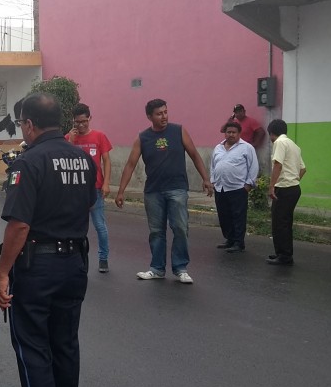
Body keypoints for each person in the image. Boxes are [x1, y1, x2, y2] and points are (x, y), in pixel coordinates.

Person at [0, 92, 97, 387]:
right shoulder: (84, 160)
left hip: (38, 267)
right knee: (65, 345)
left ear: (28, 124)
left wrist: (3, 271)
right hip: (74, 263)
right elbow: (87, 203)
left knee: (34, 350)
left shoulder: (29, 162)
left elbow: (20, 224)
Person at [114, 99, 213, 283]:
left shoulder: (178, 131)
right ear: (149, 117)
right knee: (156, 231)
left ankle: (180, 268)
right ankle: (157, 268)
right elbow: (130, 164)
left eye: (166, 112)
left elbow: (194, 154)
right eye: (159, 114)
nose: (164, 116)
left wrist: (206, 179)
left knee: (180, 228)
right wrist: (121, 191)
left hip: (177, 188)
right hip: (153, 191)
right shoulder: (142, 138)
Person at [67, 103, 113, 272]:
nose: (81, 125)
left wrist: (106, 182)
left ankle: (103, 258)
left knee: (100, 225)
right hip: (75, 191)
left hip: (95, 189)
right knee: (76, 226)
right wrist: (71, 142)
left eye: (84, 121)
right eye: (77, 122)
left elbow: (107, 161)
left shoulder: (99, 137)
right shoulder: (69, 138)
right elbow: (67, 160)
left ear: (90, 119)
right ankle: (76, 258)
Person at [210, 121, 259, 253]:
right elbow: (213, 166)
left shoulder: (247, 148)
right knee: (224, 215)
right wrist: (213, 181)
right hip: (220, 188)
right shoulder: (218, 148)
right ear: (225, 133)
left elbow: (253, 167)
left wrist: (248, 185)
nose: (231, 134)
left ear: (239, 133)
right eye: (228, 132)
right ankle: (229, 239)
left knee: (238, 216)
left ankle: (239, 242)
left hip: (238, 189)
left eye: (234, 132)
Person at [266, 119, 306, 266]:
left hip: (284, 188)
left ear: (271, 133)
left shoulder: (279, 143)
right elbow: (303, 169)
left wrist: (271, 186)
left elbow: (278, 164)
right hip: (293, 188)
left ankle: (284, 256)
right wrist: (294, 181)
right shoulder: (294, 145)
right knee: (285, 222)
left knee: (279, 223)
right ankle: (283, 253)